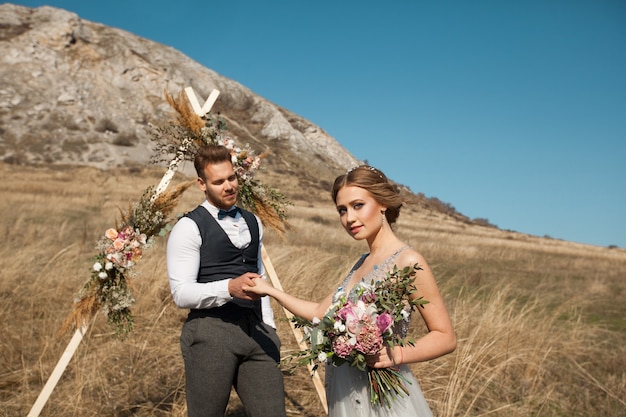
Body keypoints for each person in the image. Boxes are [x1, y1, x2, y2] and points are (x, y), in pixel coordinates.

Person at [243, 165, 456, 417]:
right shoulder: (361, 263)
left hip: (385, 398)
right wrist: (270, 290)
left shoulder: (407, 261)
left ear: (382, 203)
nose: (349, 218)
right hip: (346, 390)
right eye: (342, 210)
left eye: (357, 205)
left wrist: (395, 354)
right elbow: (319, 312)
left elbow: (445, 337)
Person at [166, 144, 286, 417]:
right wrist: (228, 288)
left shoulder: (254, 221)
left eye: (231, 178)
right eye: (218, 182)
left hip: (257, 332)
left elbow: (259, 276)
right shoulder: (188, 227)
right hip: (211, 332)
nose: (228, 186)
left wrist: (270, 327)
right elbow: (181, 294)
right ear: (202, 184)